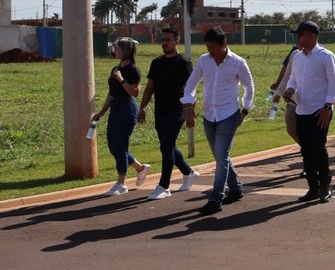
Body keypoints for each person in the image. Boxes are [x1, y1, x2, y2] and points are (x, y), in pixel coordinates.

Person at [182, 27, 255, 215]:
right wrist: (189, 105)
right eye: (207, 46)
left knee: (221, 157)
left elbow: (249, 87)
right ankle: (236, 188)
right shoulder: (204, 61)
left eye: (213, 47)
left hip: (229, 115)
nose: (210, 51)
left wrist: (245, 110)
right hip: (209, 115)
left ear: (224, 45)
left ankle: (216, 198)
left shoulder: (238, 63)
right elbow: (191, 84)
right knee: (220, 156)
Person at [138, 27, 198, 200]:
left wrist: (191, 111)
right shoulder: (156, 63)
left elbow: (191, 88)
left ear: (176, 41)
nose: (164, 43)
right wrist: (142, 108)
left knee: (166, 146)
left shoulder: (184, 63)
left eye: (168, 40)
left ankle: (164, 186)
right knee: (168, 146)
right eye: (162, 40)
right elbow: (150, 87)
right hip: (160, 111)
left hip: (178, 111)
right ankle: (189, 172)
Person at [283, 21, 335, 203]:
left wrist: (327, 106)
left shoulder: (325, 56)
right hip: (301, 109)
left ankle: (326, 185)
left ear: (312, 36)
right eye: (297, 35)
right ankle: (313, 187)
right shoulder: (297, 57)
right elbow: (292, 78)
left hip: (319, 110)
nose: (298, 38)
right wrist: (290, 89)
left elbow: (333, 82)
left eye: (301, 35)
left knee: (318, 148)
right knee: (306, 150)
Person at [92, 37, 149, 195]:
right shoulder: (115, 68)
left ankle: (121, 183)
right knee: (113, 146)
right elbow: (111, 93)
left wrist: (122, 80)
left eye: (117, 48)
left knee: (120, 146)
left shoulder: (133, 70)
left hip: (127, 108)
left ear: (125, 50)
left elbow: (135, 93)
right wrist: (101, 113)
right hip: (115, 108)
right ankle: (140, 168)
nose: (114, 51)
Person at [270, 39, 302, 146]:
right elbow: (287, 74)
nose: (298, 39)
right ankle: (306, 148)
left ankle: (310, 150)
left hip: (312, 103)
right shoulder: (294, 54)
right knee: (291, 129)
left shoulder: (323, 55)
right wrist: (278, 93)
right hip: (293, 99)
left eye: (301, 35)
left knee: (309, 132)